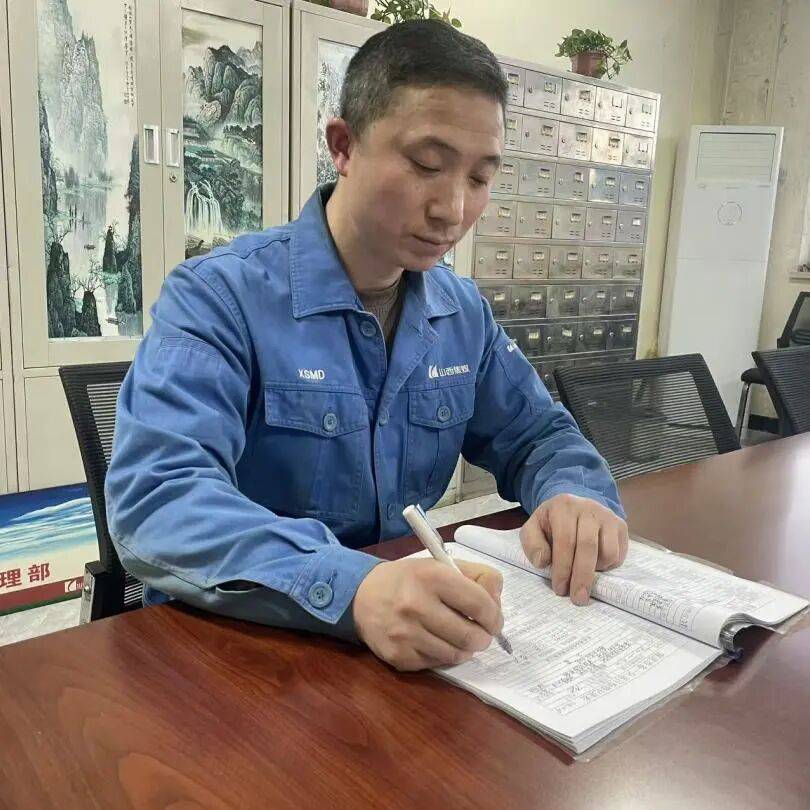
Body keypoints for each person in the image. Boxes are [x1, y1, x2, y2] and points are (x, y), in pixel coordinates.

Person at [106, 20, 628, 672]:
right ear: (343, 146)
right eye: (427, 165)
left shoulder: (459, 312)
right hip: (238, 659)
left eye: (480, 177)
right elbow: (159, 499)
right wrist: (355, 588)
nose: (453, 209)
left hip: (402, 658)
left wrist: (575, 494)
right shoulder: (218, 297)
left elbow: (538, 435)